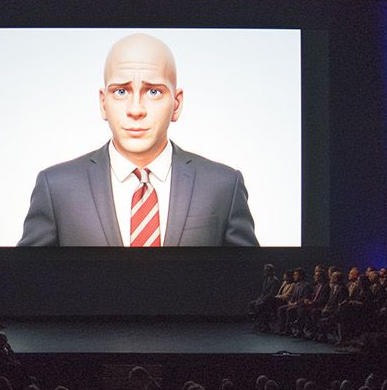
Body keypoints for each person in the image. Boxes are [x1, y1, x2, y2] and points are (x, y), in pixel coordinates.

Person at [17, 32, 258, 246]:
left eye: (154, 91)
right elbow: (29, 283)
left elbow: (246, 282)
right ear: (103, 103)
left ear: (176, 103)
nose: (135, 109)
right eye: (120, 91)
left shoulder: (223, 185)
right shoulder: (56, 187)